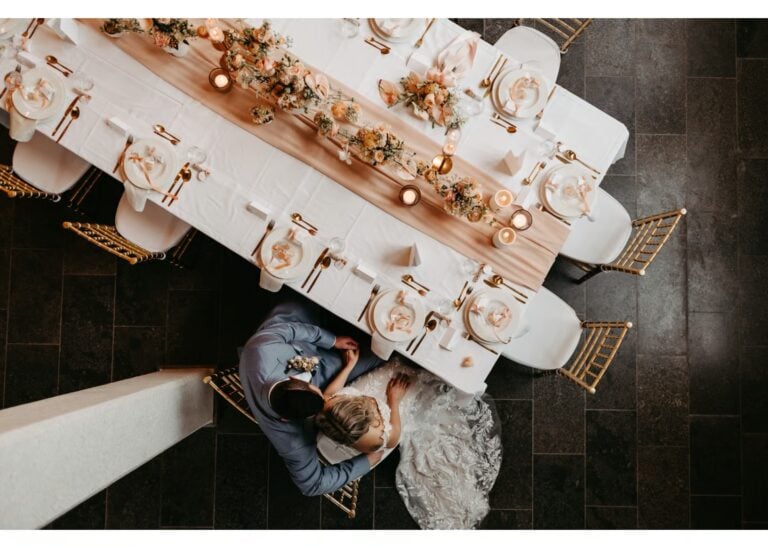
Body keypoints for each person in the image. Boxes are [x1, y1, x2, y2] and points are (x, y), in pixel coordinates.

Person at [315, 359, 503, 529]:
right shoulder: (377, 436)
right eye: (376, 417)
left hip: (334, 438)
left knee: (396, 367)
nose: (374, 405)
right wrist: (393, 402)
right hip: (370, 440)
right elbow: (393, 438)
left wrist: (349, 366)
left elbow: (329, 394)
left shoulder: (332, 406)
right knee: (413, 382)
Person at [239, 301, 383, 497]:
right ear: (289, 420)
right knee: (379, 353)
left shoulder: (261, 349)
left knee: (308, 300)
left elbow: (290, 330)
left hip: (294, 337)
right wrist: (368, 461)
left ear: (293, 380)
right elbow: (312, 486)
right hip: (324, 371)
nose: (327, 397)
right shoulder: (293, 443)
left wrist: (332, 341)